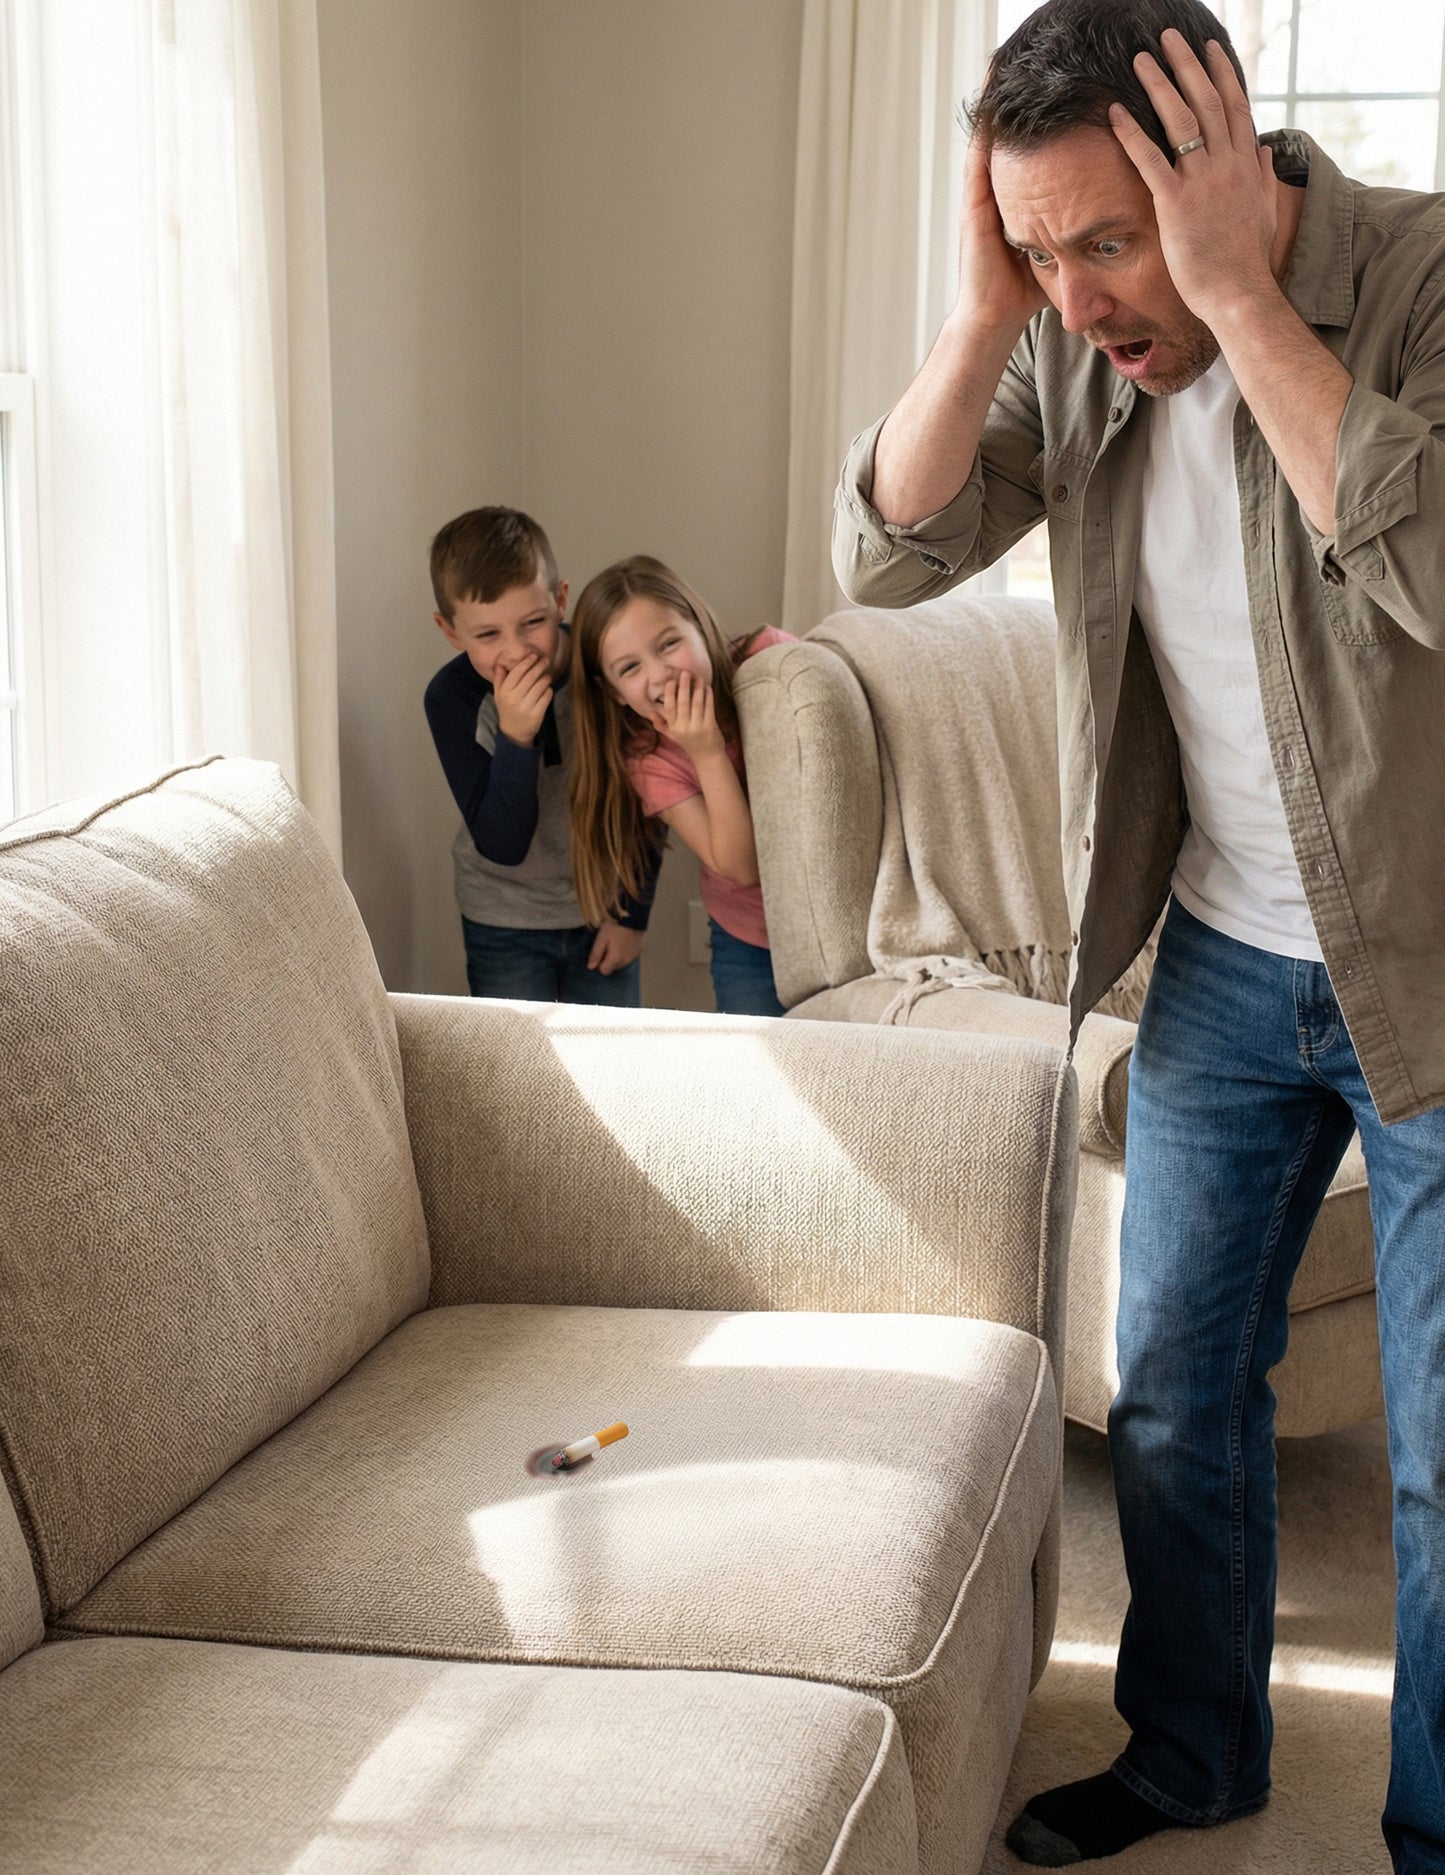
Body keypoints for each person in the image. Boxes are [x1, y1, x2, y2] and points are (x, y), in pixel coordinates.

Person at [831, 2, 1445, 1869]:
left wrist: (1241, 303)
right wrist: (984, 316)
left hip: (1432, 968)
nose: (1090, 292)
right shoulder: (1073, 348)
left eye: (1111, 239)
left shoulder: (1414, 276)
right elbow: (891, 552)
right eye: (1043, 246)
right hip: (1226, 965)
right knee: (1174, 1393)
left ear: (1229, 151)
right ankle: (1192, 1753)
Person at [425, 507, 656, 1004]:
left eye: (533, 622)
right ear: (450, 632)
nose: (517, 650)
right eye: (487, 635)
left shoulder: (606, 670)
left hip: (603, 912)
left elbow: (647, 802)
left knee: (614, 1065)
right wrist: (516, 739)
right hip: (502, 921)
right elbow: (502, 843)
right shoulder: (451, 699)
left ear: (561, 600)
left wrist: (632, 916)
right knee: (517, 1071)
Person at [569, 554, 793, 1018]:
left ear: (698, 623)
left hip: (840, 918)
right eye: (629, 669)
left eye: (669, 643)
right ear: (614, 693)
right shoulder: (651, 759)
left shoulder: (767, 659)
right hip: (750, 939)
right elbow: (740, 867)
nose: (658, 674)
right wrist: (706, 751)